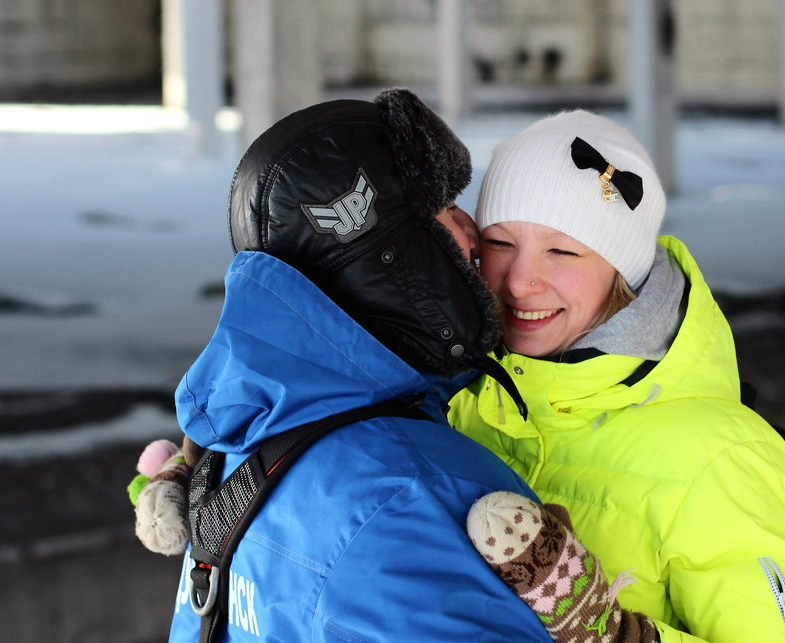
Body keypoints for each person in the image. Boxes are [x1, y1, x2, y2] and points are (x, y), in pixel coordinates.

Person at [161, 90, 551, 642]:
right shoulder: (420, 493)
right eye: (446, 210)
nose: (473, 236)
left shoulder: (235, 451)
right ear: (393, 255)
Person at [449, 110, 785, 642]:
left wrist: (612, 633)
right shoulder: (461, 397)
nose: (520, 282)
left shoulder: (720, 458)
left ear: (624, 270)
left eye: (562, 250)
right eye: (501, 243)